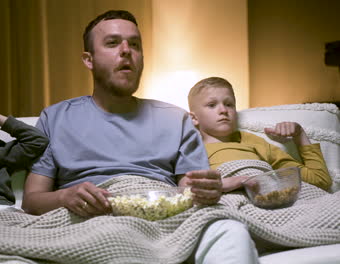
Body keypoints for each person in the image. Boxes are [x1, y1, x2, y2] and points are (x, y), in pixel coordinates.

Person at [23, 10, 259, 264]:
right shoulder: (55, 118)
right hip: (93, 221)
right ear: (88, 59)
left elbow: (189, 191)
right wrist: (64, 196)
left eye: (134, 44)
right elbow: (31, 200)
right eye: (113, 43)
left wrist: (207, 190)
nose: (126, 51)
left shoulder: (175, 119)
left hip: (164, 217)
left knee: (229, 229)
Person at [187, 77, 332, 192]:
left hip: (266, 197)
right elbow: (185, 189)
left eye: (229, 104)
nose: (223, 110)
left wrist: (300, 135)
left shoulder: (254, 142)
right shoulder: (189, 149)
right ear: (194, 118)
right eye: (212, 105)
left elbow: (320, 181)